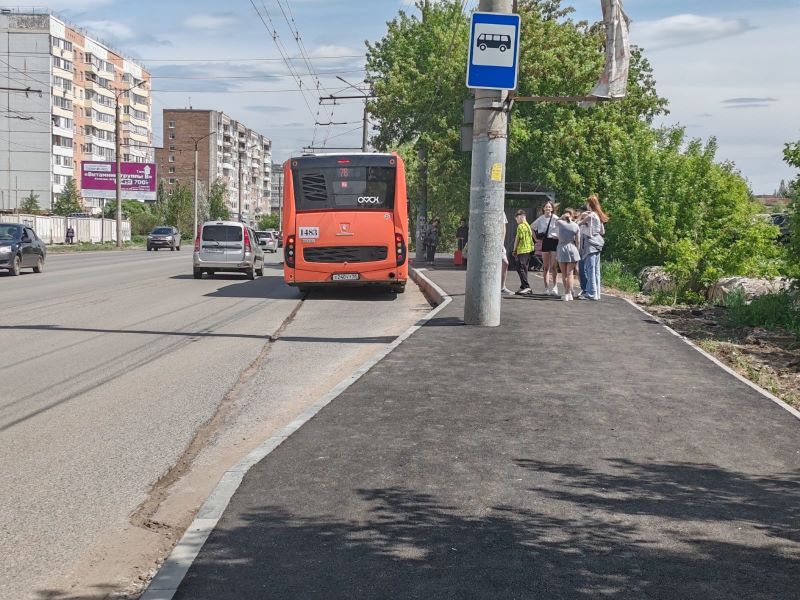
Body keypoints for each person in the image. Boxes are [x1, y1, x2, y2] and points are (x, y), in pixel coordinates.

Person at [577, 194, 609, 300]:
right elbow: (602, 231)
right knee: (596, 269)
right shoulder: (598, 215)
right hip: (598, 243)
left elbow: (577, 224)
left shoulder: (590, 216)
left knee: (590, 269)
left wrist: (582, 216)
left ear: (590, 204)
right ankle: (597, 293)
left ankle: (591, 293)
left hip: (590, 244)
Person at [532, 201, 560, 296]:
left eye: (549, 207)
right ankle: (546, 288)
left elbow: (562, 229)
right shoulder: (540, 218)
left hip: (554, 241)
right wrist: (536, 239)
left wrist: (559, 237)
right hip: (545, 242)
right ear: (543, 209)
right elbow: (531, 227)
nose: (547, 208)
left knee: (553, 266)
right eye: (546, 207)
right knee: (546, 267)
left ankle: (555, 287)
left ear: (552, 209)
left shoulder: (556, 219)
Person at [556, 209, 581, 302]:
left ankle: (566, 293)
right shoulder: (576, 225)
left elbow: (555, 222)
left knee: (564, 274)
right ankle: (569, 293)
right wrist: (577, 251)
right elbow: (578, 240)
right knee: (570, 273)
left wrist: (561, 217)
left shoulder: (560, 223)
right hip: (572, 248)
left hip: (562, 247)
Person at [511, 209, 534, 295]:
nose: (516, 221)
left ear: (520, 217)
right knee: (524, 268)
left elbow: (518, 238)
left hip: (522, 249)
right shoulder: (528, 225)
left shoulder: (520, 226)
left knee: (519, 268)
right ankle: (522, 286)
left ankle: (527, 286)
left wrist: (514, 250)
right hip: (529, 250)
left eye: (516, 219)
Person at [501, 212, 512, 294]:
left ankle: (502, 286)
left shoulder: (501, 211)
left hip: (499, 243)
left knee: (505, 263)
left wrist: (501, 242)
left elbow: (503, 227)